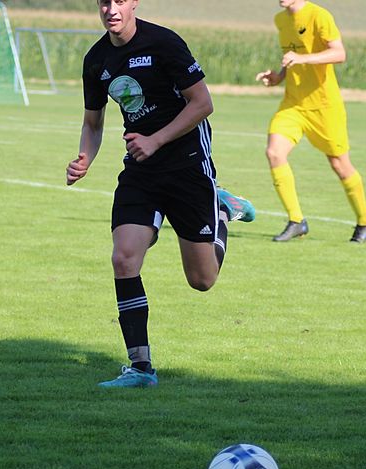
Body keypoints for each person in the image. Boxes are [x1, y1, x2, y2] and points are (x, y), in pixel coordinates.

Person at [66, 0, 255, 388]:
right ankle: (140, 368)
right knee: (124, 257)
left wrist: (155, 140)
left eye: (119, 1)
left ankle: (221, 209)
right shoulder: (96, 59)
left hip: (187, 165)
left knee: (202, 279)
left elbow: (203, 103)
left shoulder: (164, 43)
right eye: (104, 1)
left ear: (134, 2)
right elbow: (93, 123)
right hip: (141, 169)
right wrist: (84, 157)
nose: (111, 9)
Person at [255, 0, 366, 243]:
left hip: (324, 107)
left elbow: (339, 53)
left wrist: (303, 59)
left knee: (340, 165)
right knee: (274, 153)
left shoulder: (319, 16)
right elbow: (291, 58)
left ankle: (365, 221)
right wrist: (279, 77)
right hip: (293, 105)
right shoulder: (281, 20)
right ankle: (296, 221)